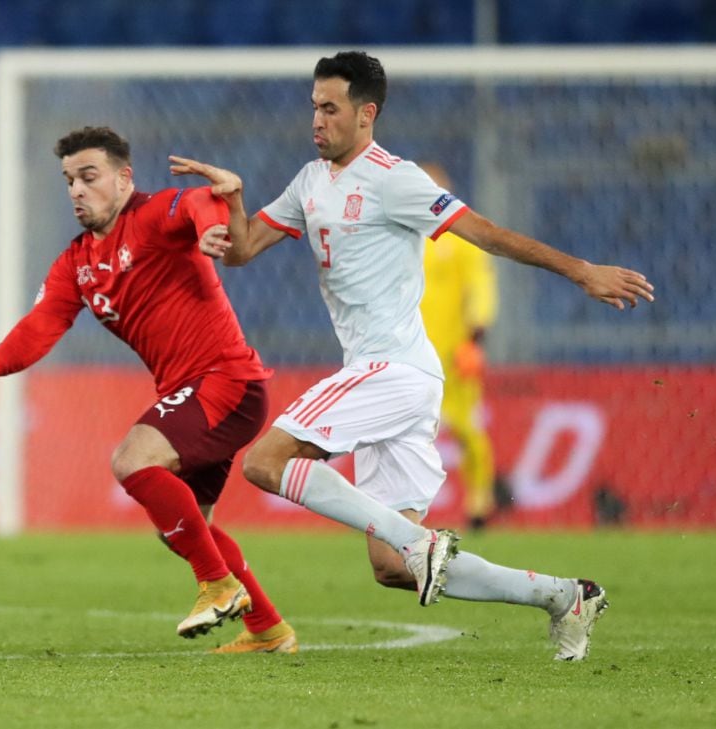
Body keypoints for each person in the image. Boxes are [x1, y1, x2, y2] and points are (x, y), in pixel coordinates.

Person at [169, 51, 654, 661]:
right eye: (313, 107)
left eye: (330, 108)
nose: (316, 120)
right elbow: (241, 251)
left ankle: (421, 543)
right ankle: (564, 597)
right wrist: (231, 203)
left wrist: (581, 271)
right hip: (393, 379)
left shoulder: (395, 178)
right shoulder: (309, 181)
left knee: (264, 462)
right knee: (392, 566)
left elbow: (486, 233)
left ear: (366, 114)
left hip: (392, 367)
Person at [0, 126, 296, 654]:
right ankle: (269, 630)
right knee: (184, 529)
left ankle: (218, 586)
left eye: (89, 177)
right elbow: (42, 324)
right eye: (69, 180)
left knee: (131, 460)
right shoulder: (77, 263)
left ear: (123, 178)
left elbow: (200, 201)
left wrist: (212, 229)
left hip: (225, 381)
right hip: (196, 392)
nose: (76, 190)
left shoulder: (152, 216)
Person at [418, 163, 500, 530]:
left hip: (452, 352)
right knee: (411, 433)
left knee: (467, 428)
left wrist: (477, 329)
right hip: (410, 354)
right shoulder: (406, 237)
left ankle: (480, 500)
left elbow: (480, 284)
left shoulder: (460, 238)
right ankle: (405, 508)